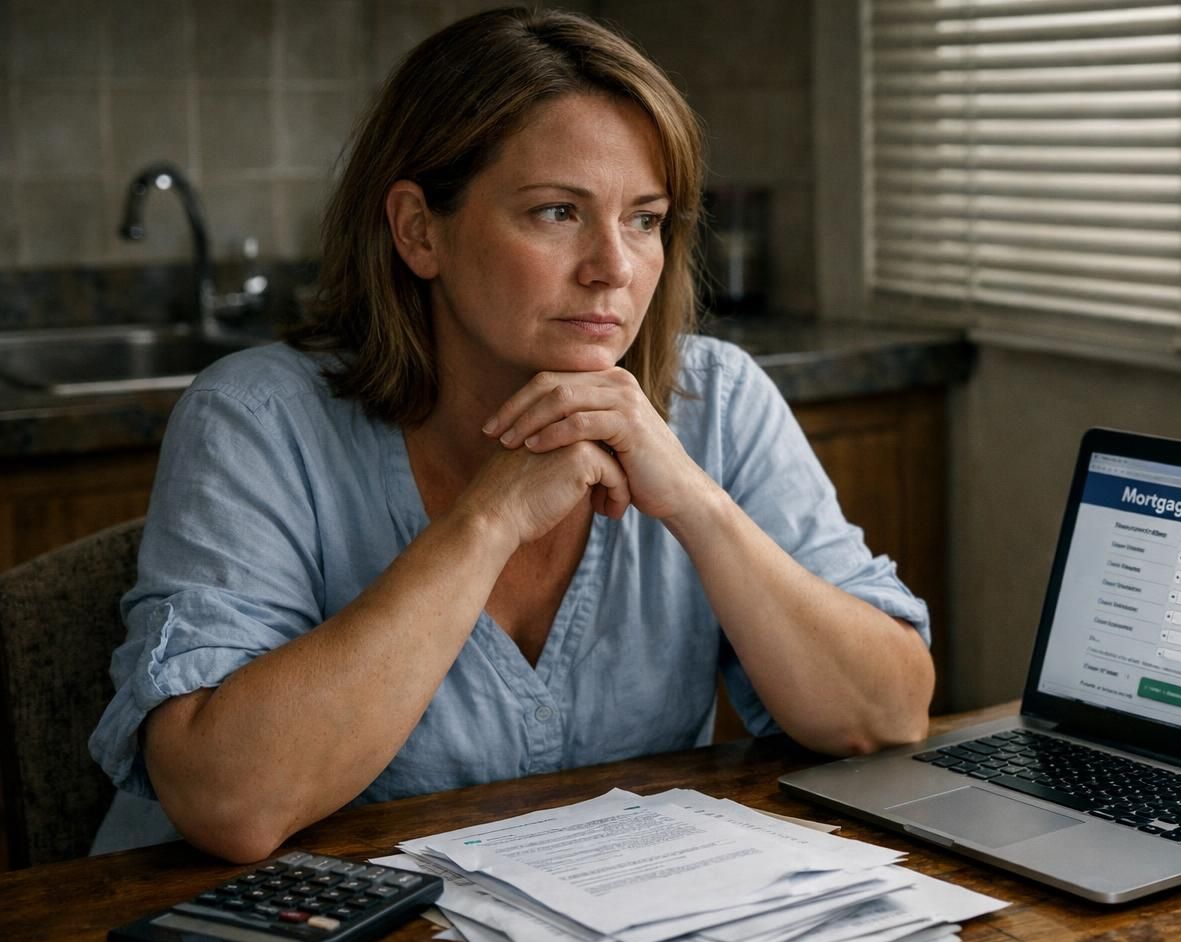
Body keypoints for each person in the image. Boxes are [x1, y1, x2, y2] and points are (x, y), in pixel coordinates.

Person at [89, 6, 934, 864]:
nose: (614, 265)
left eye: (645, 218)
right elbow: (229, 803)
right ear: (420, 230)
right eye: (557, 212)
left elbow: (886, 714)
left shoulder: (718, 399)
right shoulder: (257, 418)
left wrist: (697, 505)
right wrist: (486, 522)